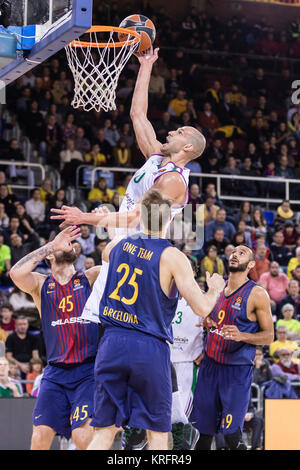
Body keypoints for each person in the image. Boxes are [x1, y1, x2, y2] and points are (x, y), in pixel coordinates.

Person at [86, 190, 225, 450]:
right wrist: (215, 287)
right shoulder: (173, 257)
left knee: (103, 432)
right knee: (157, 433)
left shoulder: (115, 246)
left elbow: (107, 256)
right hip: (148, 344)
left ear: (141, 217)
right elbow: (203, 307)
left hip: (111, 341)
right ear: (169, 221)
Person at [9, 226, 101, 450]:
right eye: (64, 242)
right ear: (50, 254)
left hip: (87, 372)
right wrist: (52, 245)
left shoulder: (90, 277)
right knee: (39, 439)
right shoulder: (41, 284)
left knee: (81, 439)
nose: (68, 244)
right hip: (55, 373)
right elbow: (15, 274)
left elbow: (117, 263)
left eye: (71, 242)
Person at [191, 245, 274, 450]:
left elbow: (269, 336)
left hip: (235, 371)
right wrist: (208, 322)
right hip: (210, 367)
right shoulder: (218, 288)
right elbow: (213, 319)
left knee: (231, 435)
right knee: (202, 433)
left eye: (242, 253)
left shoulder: (256, 293)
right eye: (234, 252)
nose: (235, 254)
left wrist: (242, 335)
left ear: (252, 264)